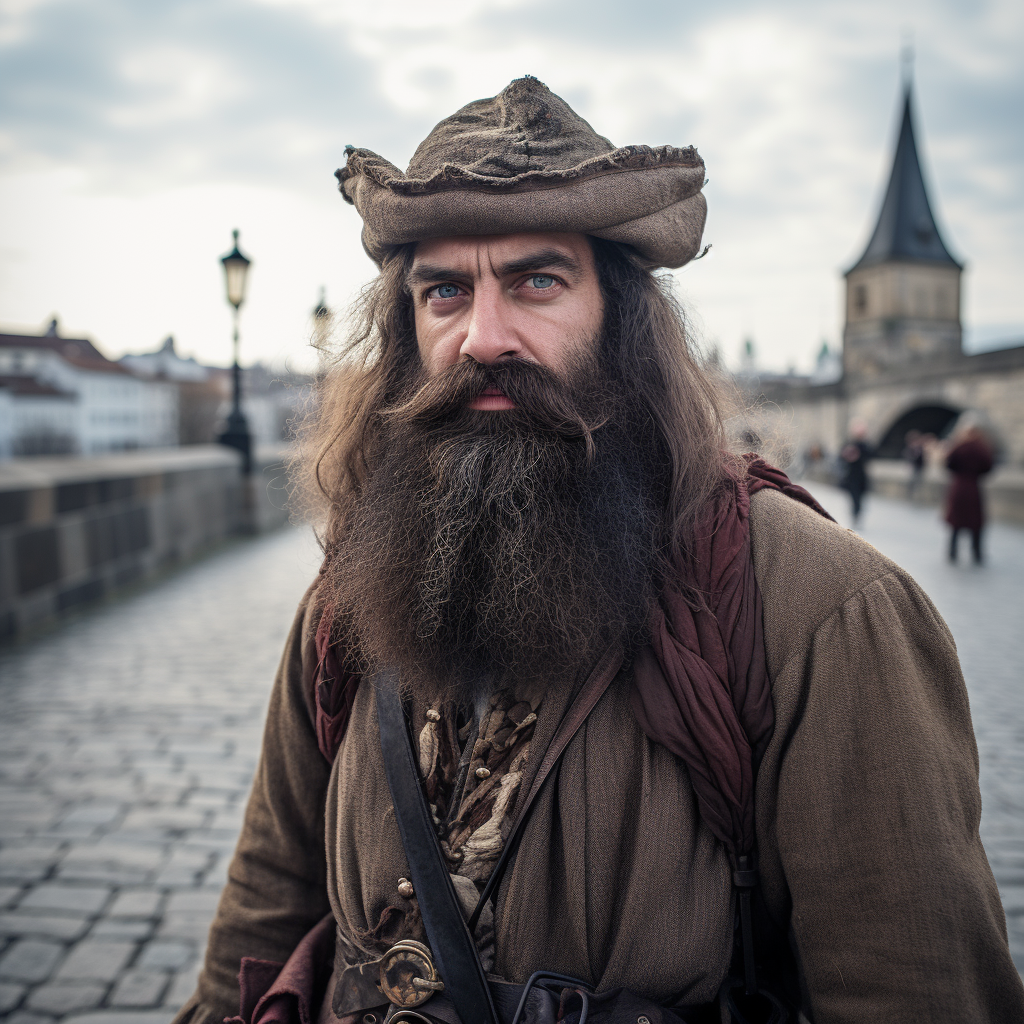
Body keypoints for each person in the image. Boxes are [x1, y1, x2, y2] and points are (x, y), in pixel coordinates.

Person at [173, 78, 1024, 1024]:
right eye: (445, 291)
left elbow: (912, 990)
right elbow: (266, 896)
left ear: (623, 316)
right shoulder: (348, 596)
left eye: (538, 281)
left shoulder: (823, 611)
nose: (482, 337)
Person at [945, 424, 995, 564]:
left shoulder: (959, 447)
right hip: (973, 487)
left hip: (959, 487)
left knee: (956, 522)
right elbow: (988, 466)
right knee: (975, 523)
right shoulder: (981, 448)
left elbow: (948, 464)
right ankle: (977, 553)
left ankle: (952, 552)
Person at [837, 418, 872, 527]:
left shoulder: (865, 445)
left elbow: (870, 456)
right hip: (852, 476)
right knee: (854, 498)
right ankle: (855, 515)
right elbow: (841, 457)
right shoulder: (849, 444)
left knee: (860, 498)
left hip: (860, 476)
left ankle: (857, 515)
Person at [901, 428, 926, 500]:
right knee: (913, 480)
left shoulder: (920, 447)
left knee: (917, 480)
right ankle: (910, 493)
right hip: (914, 466)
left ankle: (914, 493)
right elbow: (908, 456)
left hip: (919, 466)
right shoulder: (910, 448)